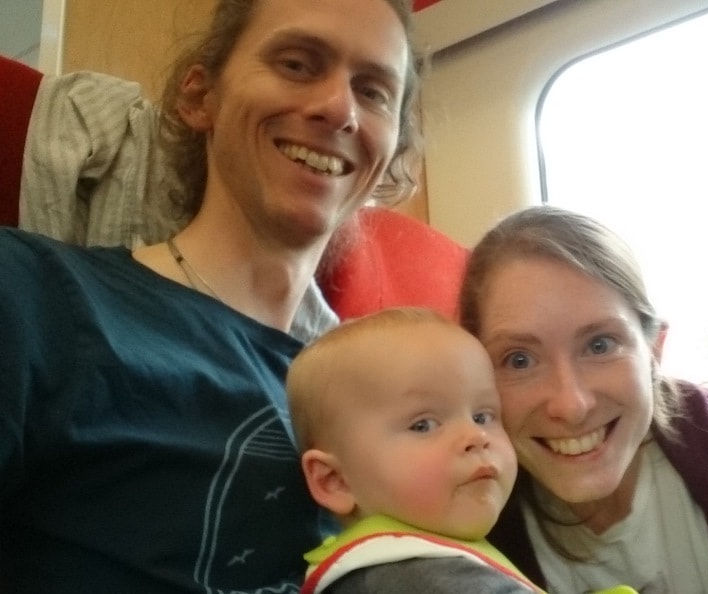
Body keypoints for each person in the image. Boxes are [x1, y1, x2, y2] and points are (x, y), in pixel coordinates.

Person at [0, 0, 422, 591]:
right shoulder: (32, 294)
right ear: (201, 96)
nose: (339, 108)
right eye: (298, 63)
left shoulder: (390, 400)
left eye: (374, 91)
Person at [458, 205, 708, 594]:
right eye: (519, 360)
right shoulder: (469, 513)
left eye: (600, 345)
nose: (571, 406)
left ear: (654, 349)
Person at [285, 307, 535, 593]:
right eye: (423, 425)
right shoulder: (410, 577)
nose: (476, 436)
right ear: (335, 480)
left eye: (483, 416)